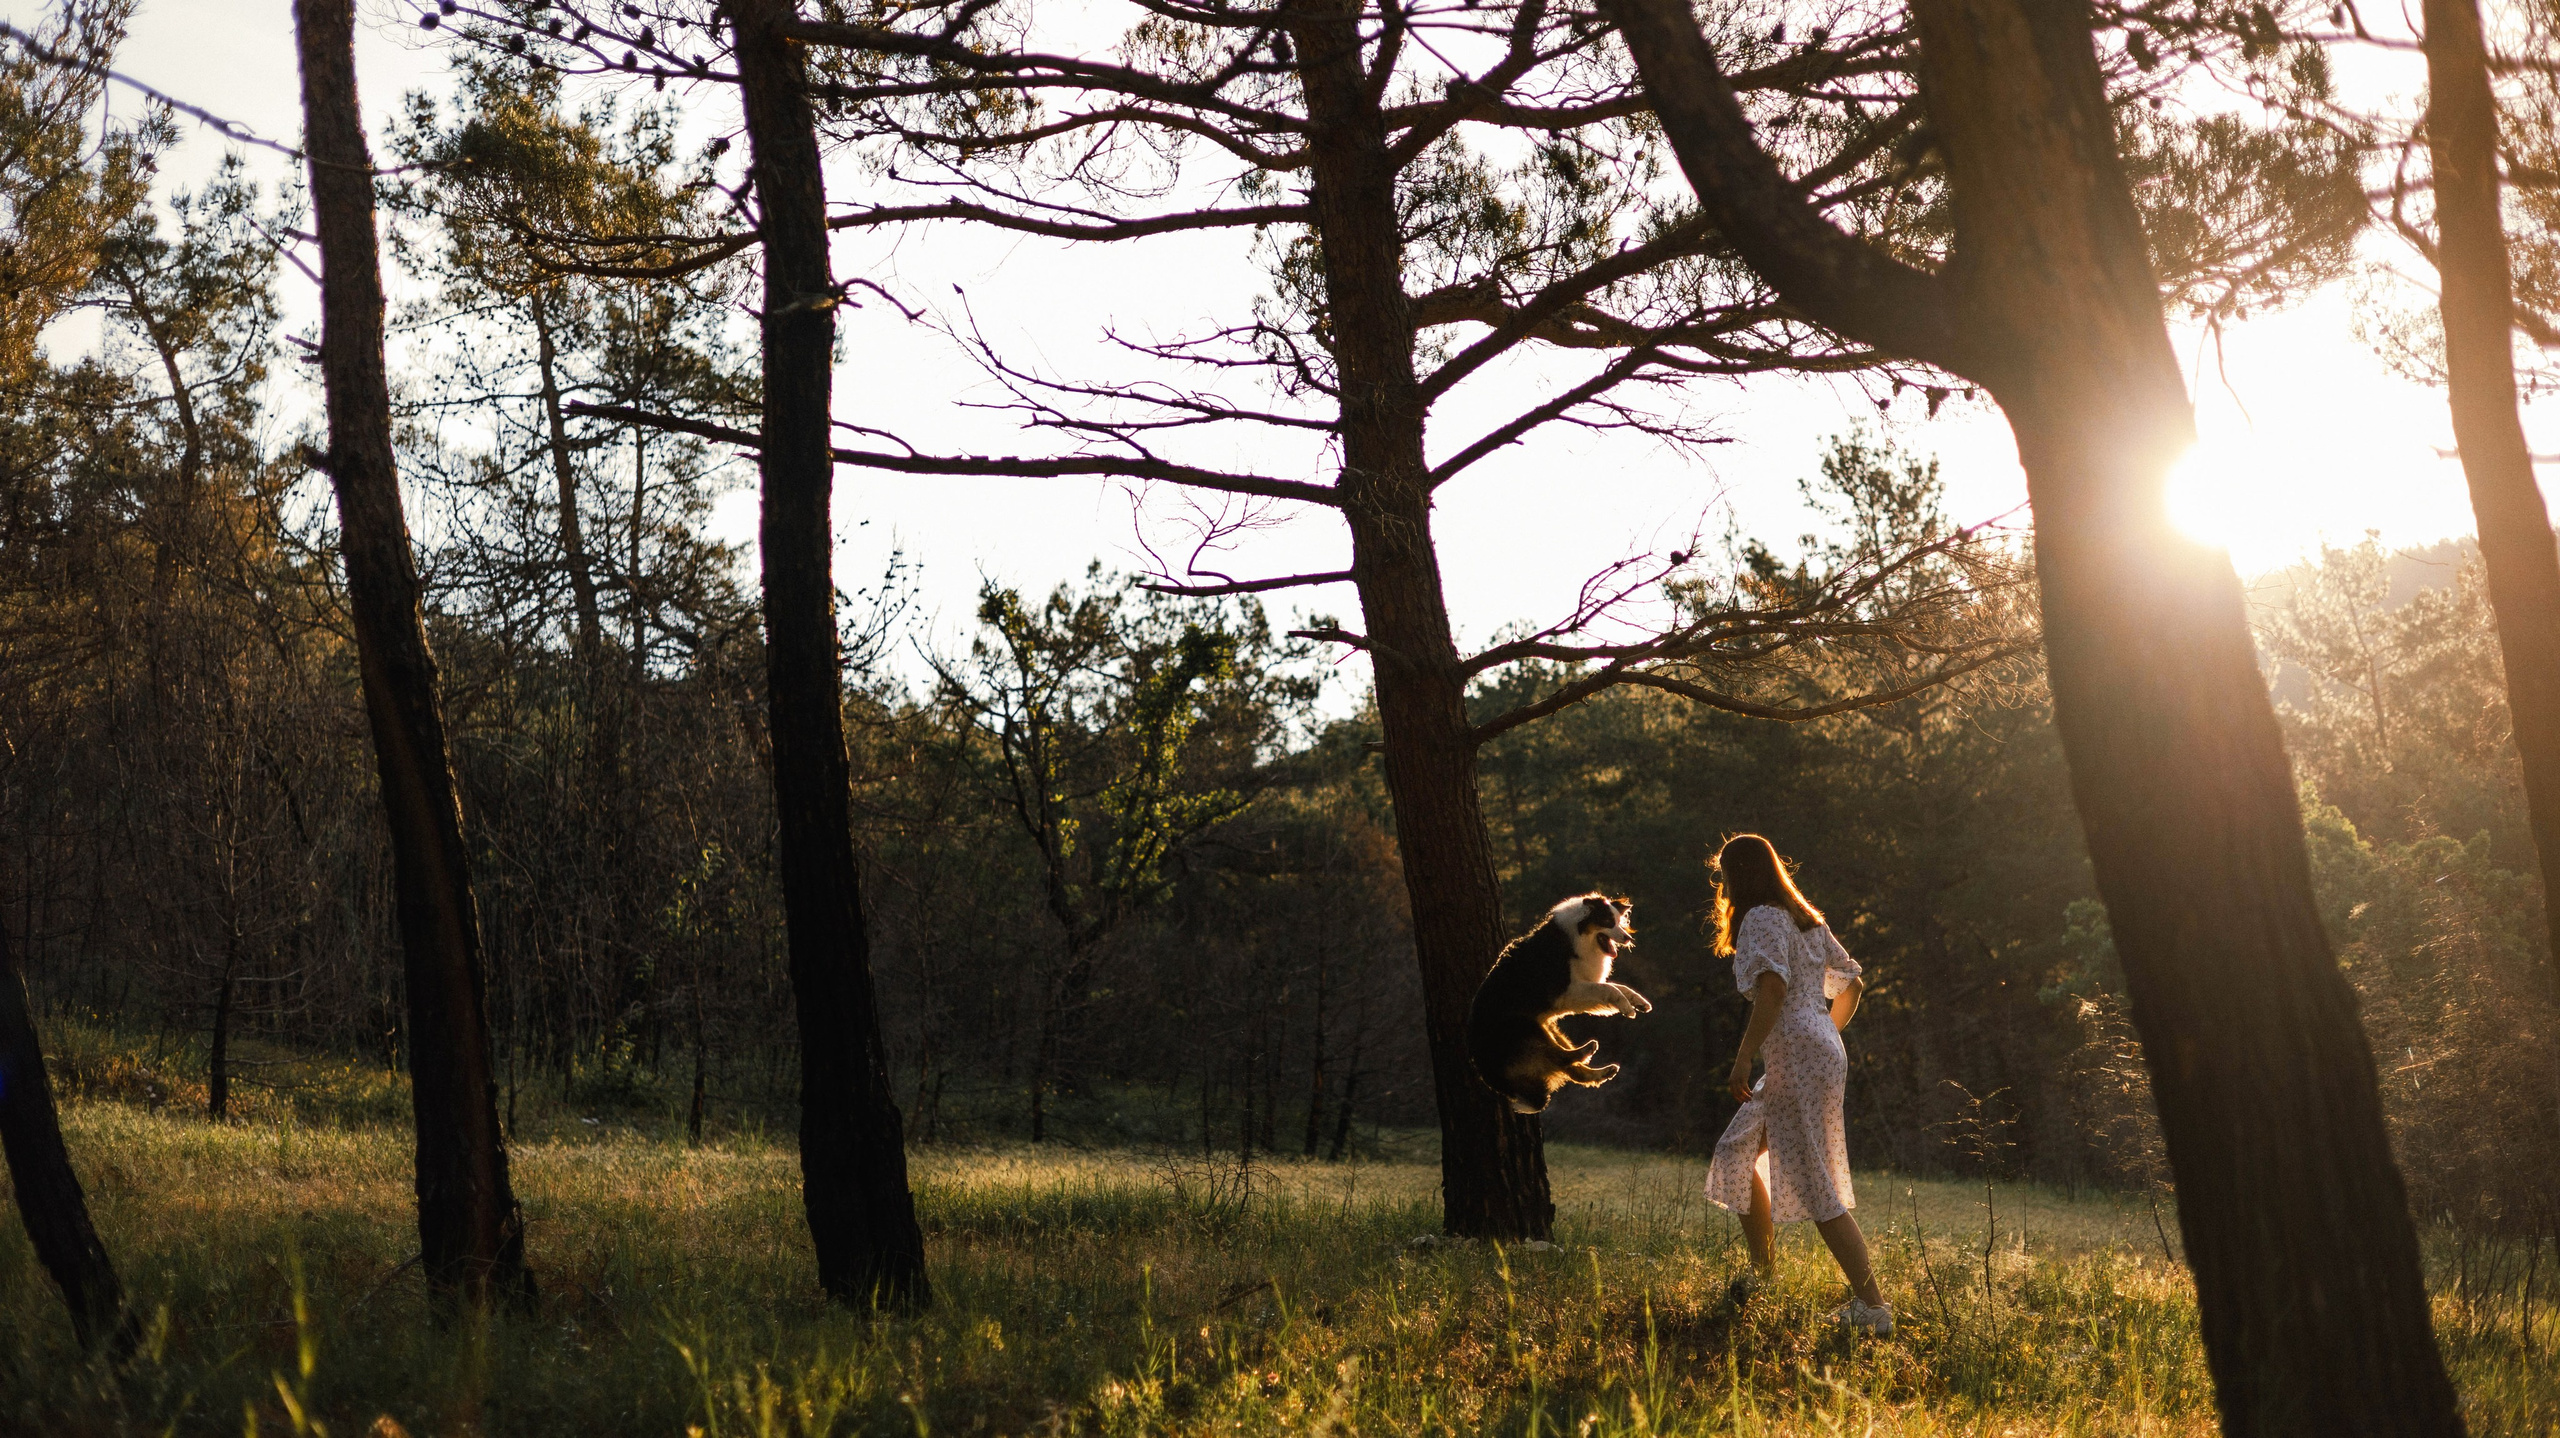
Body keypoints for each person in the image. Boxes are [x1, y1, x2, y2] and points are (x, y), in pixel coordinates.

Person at [1703, 833, 1893, 1337]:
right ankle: (1763, 1278)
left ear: (1736, 876)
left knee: (1813, 1180)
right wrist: (1825, 1031)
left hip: (1799, 1051)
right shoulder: (1804, 917)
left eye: (1723, 875)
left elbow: (1772, 988)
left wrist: (1743, 1057)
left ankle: (1873, 1307)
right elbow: (1851, 981)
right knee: (1735, 1150)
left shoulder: (1763, 917)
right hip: (1814, 1048)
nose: (1721, 885)